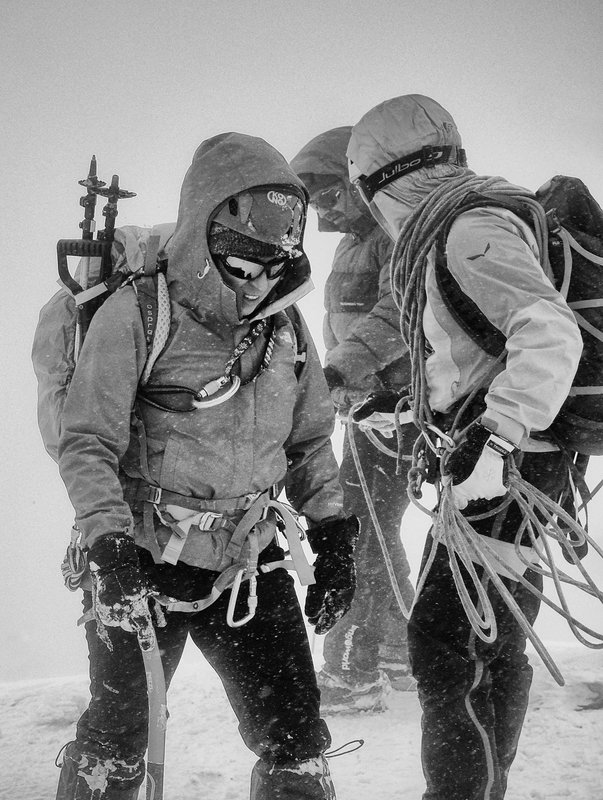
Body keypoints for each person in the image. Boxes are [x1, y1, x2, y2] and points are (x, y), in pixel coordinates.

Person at [52, 132, 359, 800]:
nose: (258, 284)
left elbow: (309, 441)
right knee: (117, 741)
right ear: (204, 239)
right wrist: (107, 544)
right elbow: (88, 441)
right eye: (243, 265)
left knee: (297, 741)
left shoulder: (285, 329)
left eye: (274, 268)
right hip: (142, 555)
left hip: (248, 561)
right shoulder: (137, 315)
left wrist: (334, 534)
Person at [347, 94, 582, 800]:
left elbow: (548, 331)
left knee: (447, 647)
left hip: (507, 468)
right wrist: (407, 409)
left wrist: (495, 434)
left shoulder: (465, 230)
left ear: (381, 180)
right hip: (511, 461)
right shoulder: (460, 223)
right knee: (485, 643)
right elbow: (477, 357)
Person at [290, 127, 416, 712]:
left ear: (357, 182)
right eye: (315, 201)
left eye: (330, 195)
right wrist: (332, 379)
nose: (323, 211)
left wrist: (340, 370)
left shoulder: (396, 234)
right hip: (368, 412)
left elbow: (398, 314)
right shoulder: (356, 243)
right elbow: (343, 320)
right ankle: (400, 647)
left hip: (400, 413)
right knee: (373, 527)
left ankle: (352, 671)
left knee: (360, 528)